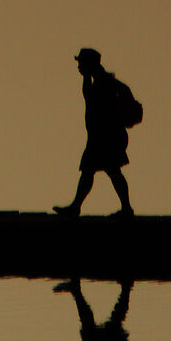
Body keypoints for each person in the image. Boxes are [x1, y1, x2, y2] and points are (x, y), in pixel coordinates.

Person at [55, 47, 138, 217]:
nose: (78, 67)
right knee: (99, 170)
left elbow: (90, 97)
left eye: (81, 63)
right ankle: (77, 206)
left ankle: (124, 208)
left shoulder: (103, 83)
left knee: (106, 170)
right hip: (102, 137)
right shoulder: (101, 80)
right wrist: (86, 77)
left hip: (107, 137)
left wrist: (86, 77)